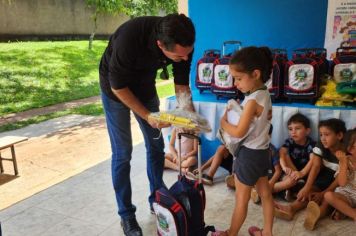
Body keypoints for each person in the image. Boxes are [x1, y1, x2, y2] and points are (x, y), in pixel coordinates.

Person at [99, 14, 195, 236]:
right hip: (116, 91)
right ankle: (127, 216)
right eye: (178, 56)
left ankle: (157, 198)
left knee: (155, 147)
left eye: (187, 55)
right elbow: (118, 86)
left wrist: (187, 115)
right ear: (160, 44)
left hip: (145, 87)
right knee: (123, 153)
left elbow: (181, 85)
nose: (184, 58)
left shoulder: (182, 40)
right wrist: (147, 115)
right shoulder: (129, 38)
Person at [212, 46, 274, 236]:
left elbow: (239, 133)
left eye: (238, 78)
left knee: (241, 198)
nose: (235, 83)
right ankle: (268, 232)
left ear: (255, 74)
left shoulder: (252, 101)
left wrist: (223, 123)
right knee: (265, 194)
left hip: (248, 155)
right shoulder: (265, 94)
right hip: (263, 152)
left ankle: (231, 233)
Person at [274, 118, 346, 222]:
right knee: (309, 192)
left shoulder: (346, 151)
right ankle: (291, 208)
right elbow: (315, 166)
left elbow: (340, 179)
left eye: (327, 134)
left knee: (326, 197)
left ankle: (323, 212)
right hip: (325, 175)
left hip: (342, 179)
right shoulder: (321, 144)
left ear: (339, 136)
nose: (323, 138)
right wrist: (307, 188)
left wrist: (323, 193)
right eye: (321, 135)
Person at [303, 128, 355, 230]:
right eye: (352, 146)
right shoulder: (346, 160)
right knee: (328, 196)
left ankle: (345, 212)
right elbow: (342, 183)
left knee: (335, 204)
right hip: (346, 194)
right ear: (349, 148)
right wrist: (344, 163)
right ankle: (318, 214)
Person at [272, 113, 316, 201]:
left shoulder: (311, 144)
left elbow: (313, 160)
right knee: (290, 180)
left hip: (303, 174)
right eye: (290, 129)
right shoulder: (289, 142)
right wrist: (284, 167)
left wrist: (302, 173)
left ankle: (282, 192)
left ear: (307, 131)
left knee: (304, 188)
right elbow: (282, 153)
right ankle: (263, 191)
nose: (293, 132)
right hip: (289, 172)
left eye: (297, 128)